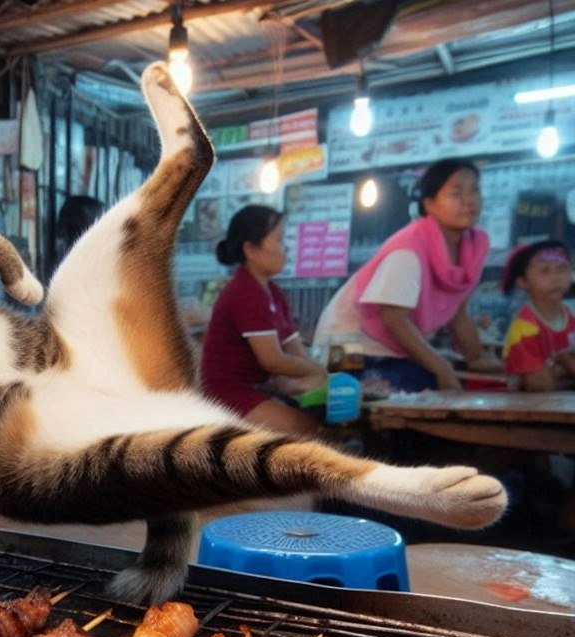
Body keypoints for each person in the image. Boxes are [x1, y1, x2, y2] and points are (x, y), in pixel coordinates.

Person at [313, 157, 502, 393]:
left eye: (474, 190)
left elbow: (459, 315)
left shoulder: (472, 249)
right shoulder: (409, 249)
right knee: (418, 387)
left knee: (464, 380)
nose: (468, 201)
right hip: (342, 346)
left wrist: (478, 360)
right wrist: (442, 368)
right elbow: (394, 319)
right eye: (456, 193)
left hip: (390, 351)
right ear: (430, 204)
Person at [199, 204, 327, 435]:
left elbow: (296, 356)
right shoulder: (244, 291)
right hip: (228, 396)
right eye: (278, 241)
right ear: (251, 249)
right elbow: (273, 361)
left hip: (260, 391)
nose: (285, 249)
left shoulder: (274, 294)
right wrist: (321, 373)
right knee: (309, 433)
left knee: (326, 425)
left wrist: (320, 376)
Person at [501, 239, 575, 391]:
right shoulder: (525, 327)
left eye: (562, 268)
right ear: (523, 282)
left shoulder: (572, 315)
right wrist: (567, 363)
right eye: (545, 271)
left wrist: (562, 368)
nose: (556, 277)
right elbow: (541, 386)